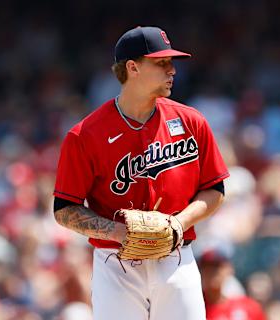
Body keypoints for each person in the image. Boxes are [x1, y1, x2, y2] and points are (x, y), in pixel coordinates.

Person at [52, 26, 229, 320]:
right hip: (116, 264)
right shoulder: (85, 135)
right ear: (133, 67)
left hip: (176, 257)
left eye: (172, 63)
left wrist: (178, 223)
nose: (172, 70)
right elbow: (63, 209)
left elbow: (216, 190)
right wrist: (118, 232)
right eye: (161, 63)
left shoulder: (191, 121)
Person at [198, 249, 266, 320]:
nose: (213, 272)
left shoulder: (249, 308)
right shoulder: (195, 308)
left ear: (228, 269)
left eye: (217, 267)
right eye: (207, 267)